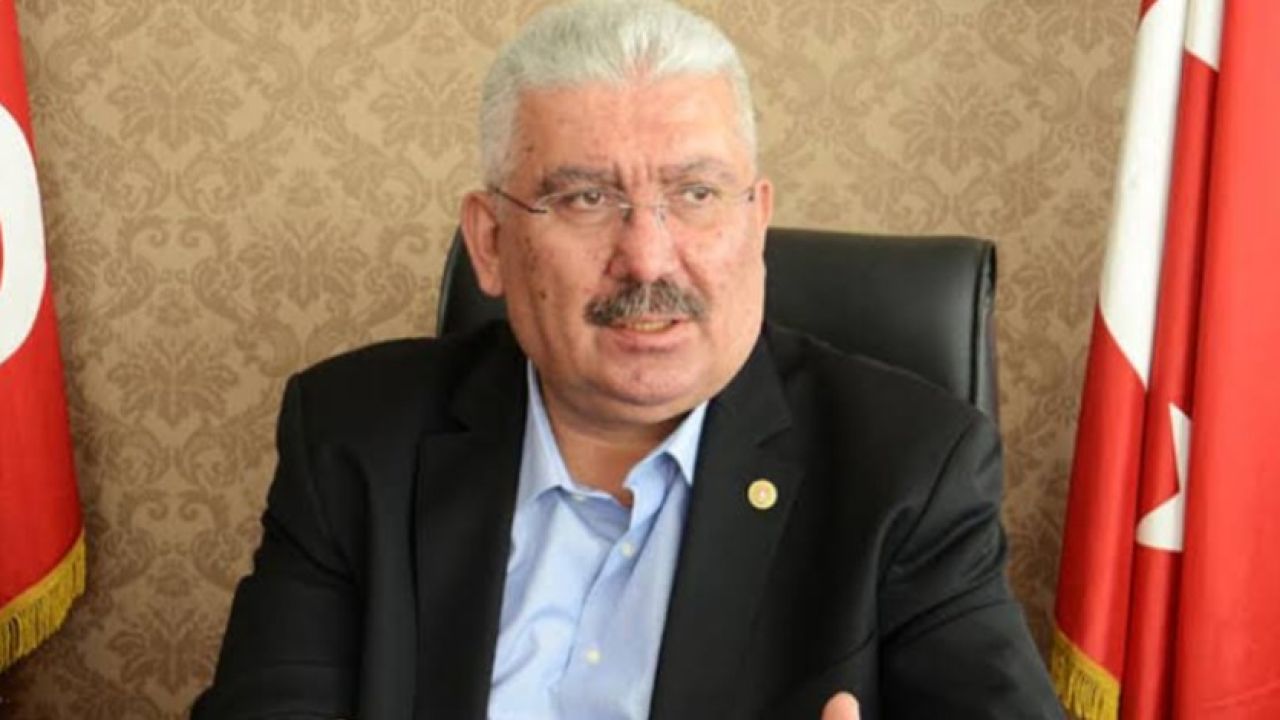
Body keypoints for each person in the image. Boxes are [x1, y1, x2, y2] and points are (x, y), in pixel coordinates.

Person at [193, 1, 1062, 718]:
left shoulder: (907, 470)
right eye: (585, 198)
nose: (648, 259)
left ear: (755, 222)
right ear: (490, 242)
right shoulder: (355, 440)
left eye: (695, 194)